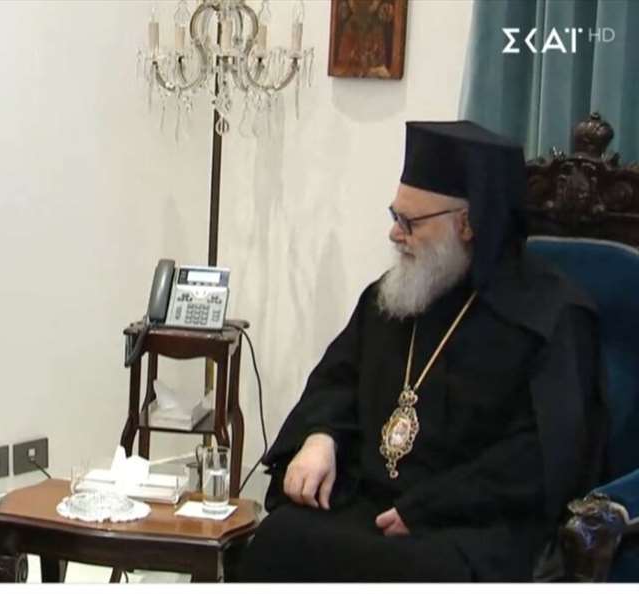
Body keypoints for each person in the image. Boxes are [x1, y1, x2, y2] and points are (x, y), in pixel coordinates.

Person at [237, 121, 606, 582]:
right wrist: (320, 437)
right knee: (277, 539)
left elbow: (543, 456)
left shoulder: (552, 318)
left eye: (409, 223)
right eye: (395, 216)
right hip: (371, 500)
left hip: (471, 524)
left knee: (413, 573)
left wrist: (430, 508)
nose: (395, 235)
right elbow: (338, 379)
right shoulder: (393, 297)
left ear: (467, 224)